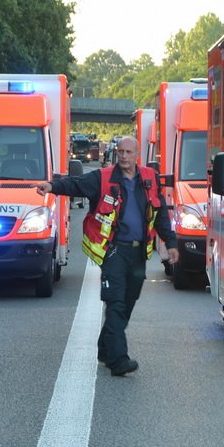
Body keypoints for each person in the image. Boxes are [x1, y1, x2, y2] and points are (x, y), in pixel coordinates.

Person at [36, 136, 178, 376]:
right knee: (116, 302)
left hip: (138, 252)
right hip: (113, 251)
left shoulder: (149, 178)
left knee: (128, 301)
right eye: (120, 152)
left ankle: (105, 349)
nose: (123, 156)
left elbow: (161, 213)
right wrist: (53, 186)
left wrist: (171, 243)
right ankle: (118, 360)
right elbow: (76, 184)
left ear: (137, 154)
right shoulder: (101, 178)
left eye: (128, 152)